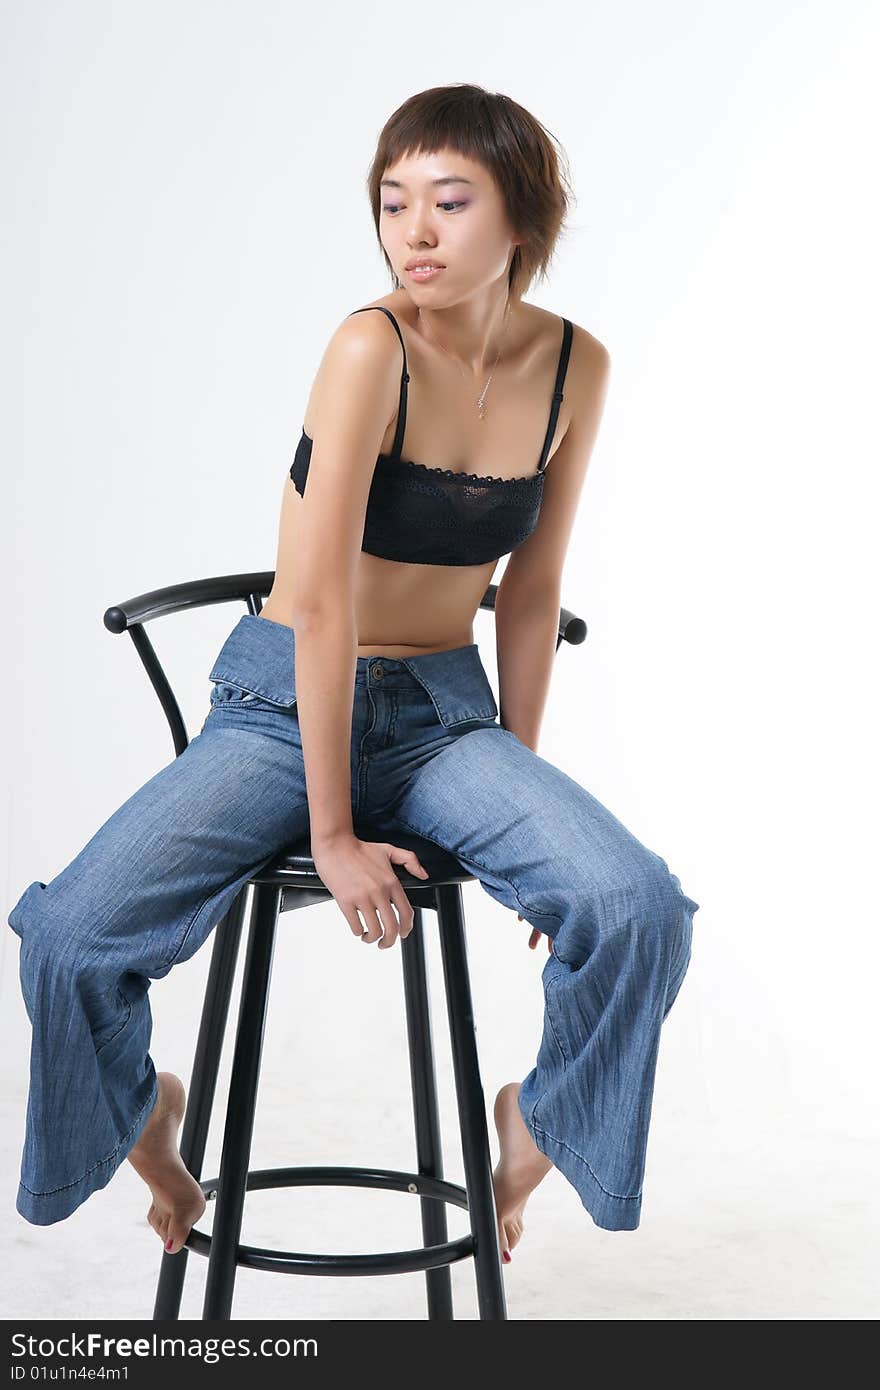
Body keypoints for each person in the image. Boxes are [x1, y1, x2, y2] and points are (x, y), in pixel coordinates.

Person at [7, 83, 700, 1269]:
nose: (413, 232)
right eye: (393, 203)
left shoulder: (574, 364)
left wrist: (520, 798)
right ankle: (143, 1118)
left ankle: (531, 1125)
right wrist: (331, 830)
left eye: (448, 200)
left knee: (634, 905)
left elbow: (528, 593)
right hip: (281, 707)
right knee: (70, 938)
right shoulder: (367, 344)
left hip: (443, 719)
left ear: (520, 217)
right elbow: (321, 604)